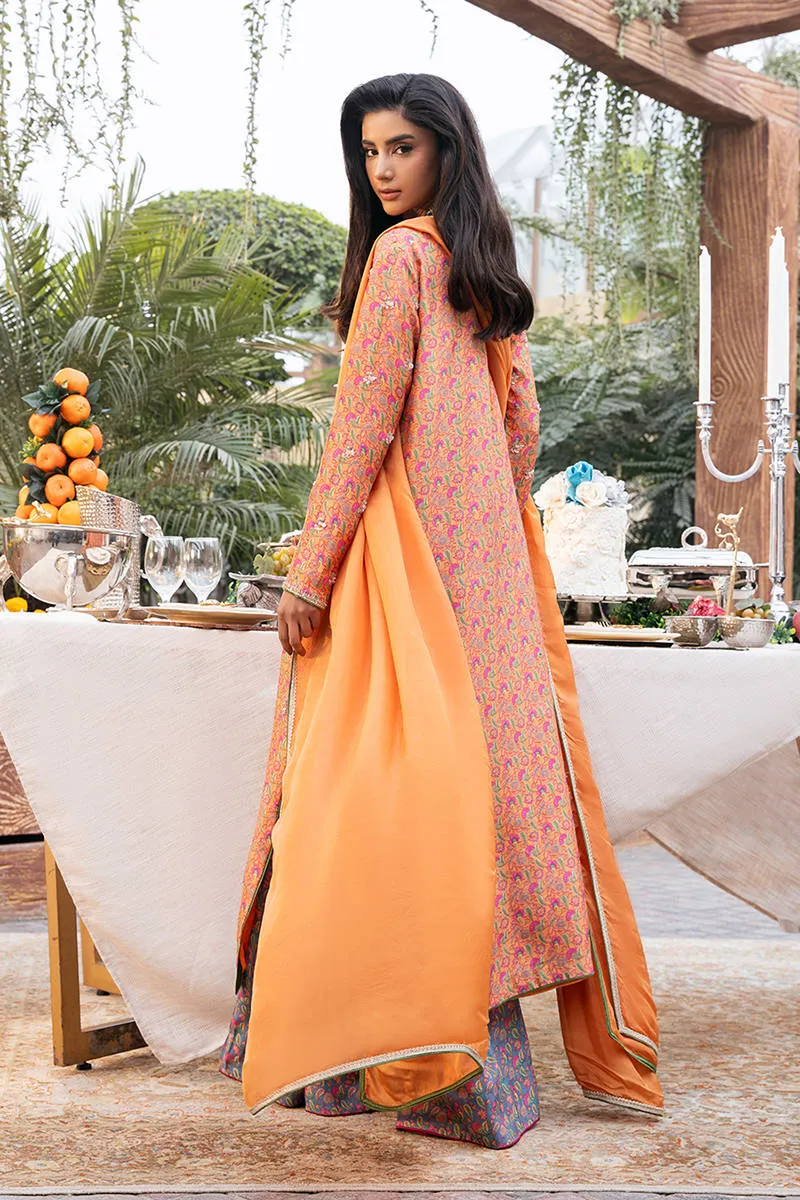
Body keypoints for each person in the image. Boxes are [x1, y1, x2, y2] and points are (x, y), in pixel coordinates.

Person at [219, 73, 663, 1149]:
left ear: (447, 153)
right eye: (369, 150)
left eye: (403, 147)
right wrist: (481, 541)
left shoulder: (401, 260)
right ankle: (469, 1074)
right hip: (488, 578)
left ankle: (364, 1056)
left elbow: (361, 426)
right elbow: (519, 437)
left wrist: (313, 571)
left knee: (358, 804)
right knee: (475, 810)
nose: (382, 169)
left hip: (404, 571)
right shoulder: (481, 277)